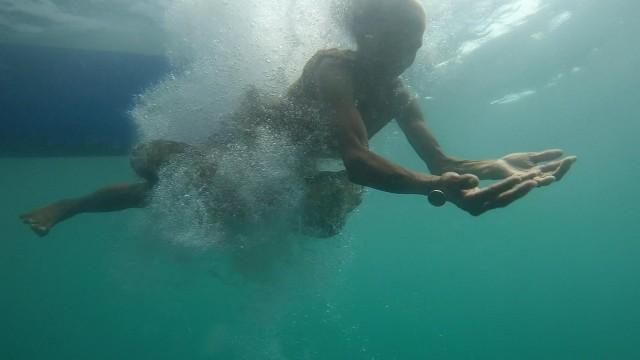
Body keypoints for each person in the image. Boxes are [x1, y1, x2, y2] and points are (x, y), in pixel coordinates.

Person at [20, 0, 576, 238]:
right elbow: (357, 159)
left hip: (294, 168)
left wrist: (493, 164)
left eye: (419, 40)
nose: (411, 51)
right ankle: (71, 205)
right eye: (403, 38)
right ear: (368, 36)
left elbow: (443, 160)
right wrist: (434, 187)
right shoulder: (335, 70)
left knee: (325, 217)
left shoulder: (398, 92)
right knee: (167, 180)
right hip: (250, 144)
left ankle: (245, 218)